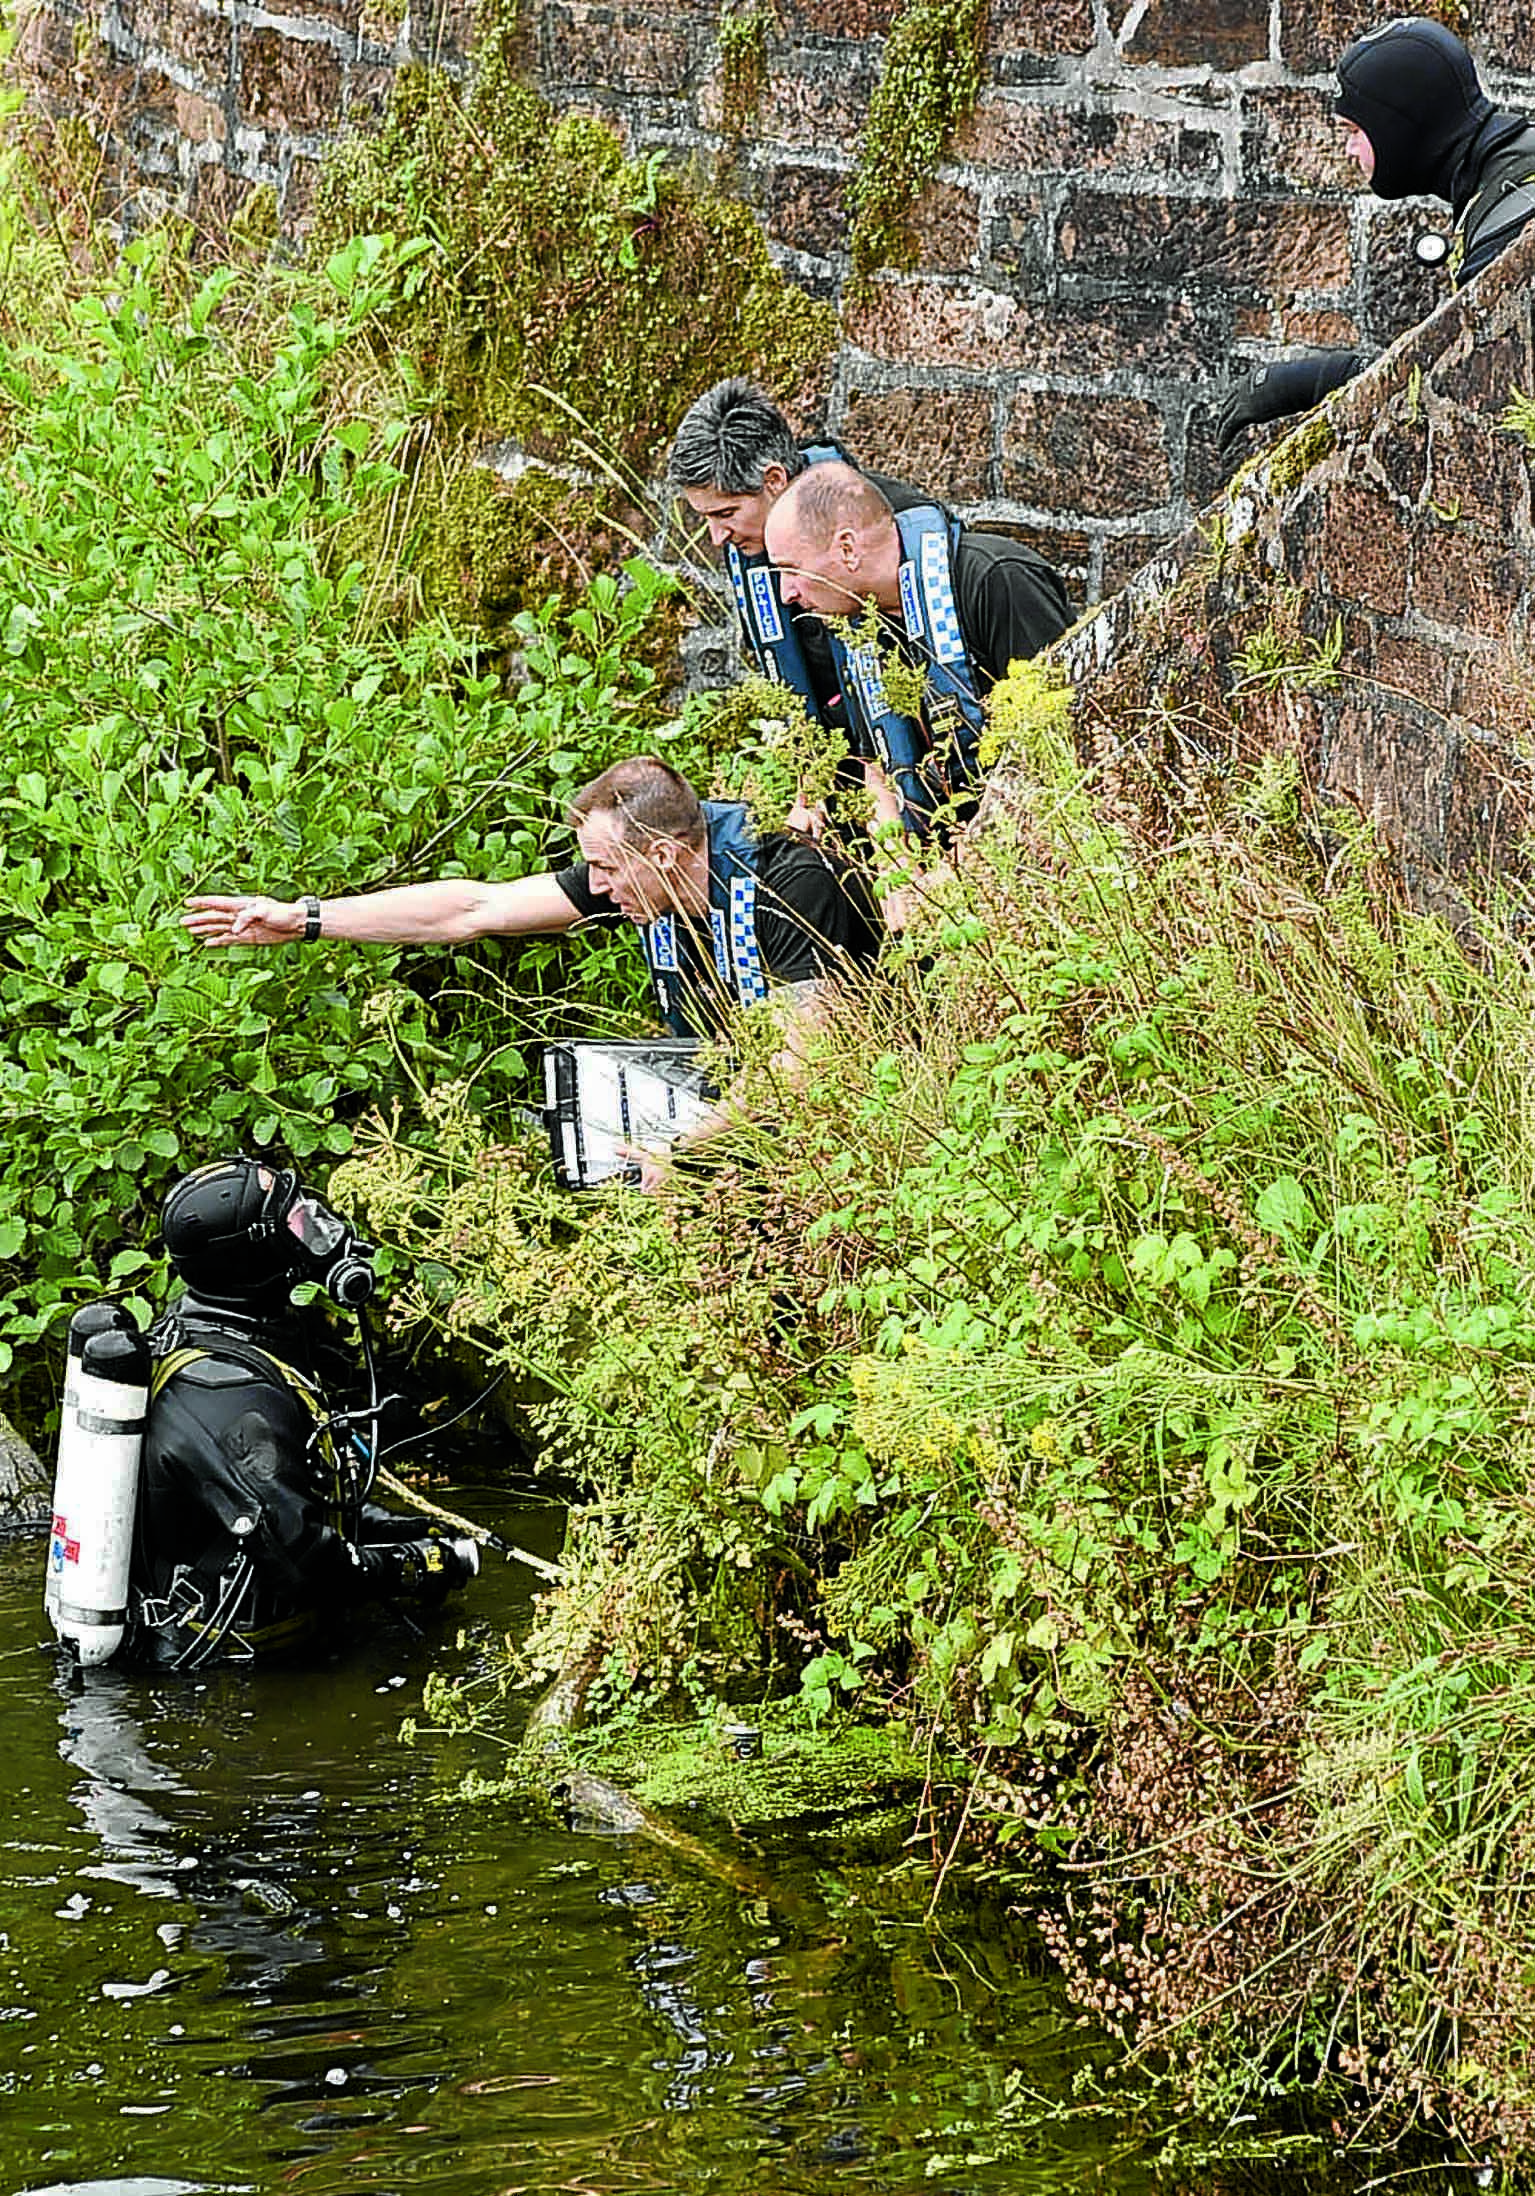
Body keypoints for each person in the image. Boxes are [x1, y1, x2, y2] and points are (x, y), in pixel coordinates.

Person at [183, 756, 884, 1192]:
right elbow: (471, 908)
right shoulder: (645, 885)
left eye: (608, 869)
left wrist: (680, 1149)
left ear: (666, 856)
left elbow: (804, 1066)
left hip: (847, 1133)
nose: (598, 888)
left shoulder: (789, 884)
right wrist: (303, 918)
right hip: (729, 1131)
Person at [123, 1156, 479, 1672]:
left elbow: (301, 1498)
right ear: (252, 1256)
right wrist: (421, 1566)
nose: (314, 1228)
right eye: (292, 1222)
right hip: (226, 1675)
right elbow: (305, 1561)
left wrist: (407, 1529)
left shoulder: (219, 1331)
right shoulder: (228, 1399)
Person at [1218, 16, 1535, 462]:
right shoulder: (1505, 174)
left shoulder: (1510, 216)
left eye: (1353, 131)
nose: (1348, 150)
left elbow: (1465, 398)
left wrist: (1317, 380)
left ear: (1401, 124)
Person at [761, 462, 1074, 836]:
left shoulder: (998, 581)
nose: (786, 593)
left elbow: (1057, 744)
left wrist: (963, 863)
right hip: (937, 858)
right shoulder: (859, 626)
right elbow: (875, 761)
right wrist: (898, 862)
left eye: (790, 568)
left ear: (847, 549)